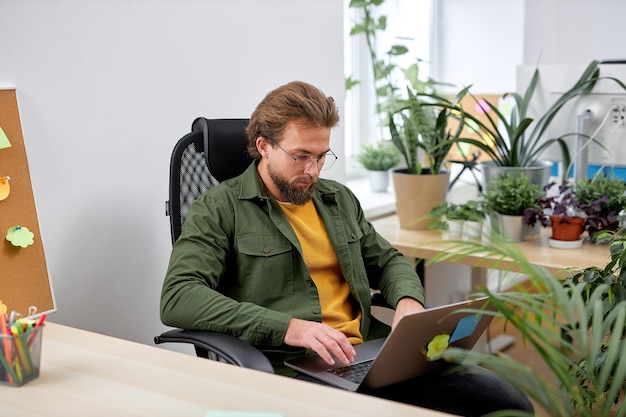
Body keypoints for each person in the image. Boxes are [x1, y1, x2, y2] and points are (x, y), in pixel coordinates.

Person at [160, 81, 534, 416]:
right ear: (263, 147)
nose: (313, 170)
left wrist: (408, 301)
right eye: (301, 156)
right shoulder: (219, 208)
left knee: (508, 404)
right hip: (292, 366)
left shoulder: (336, 199)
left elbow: (387, 261)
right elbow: (179, 297)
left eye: (322, 156)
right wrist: (291, 328)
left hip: (370, 354)